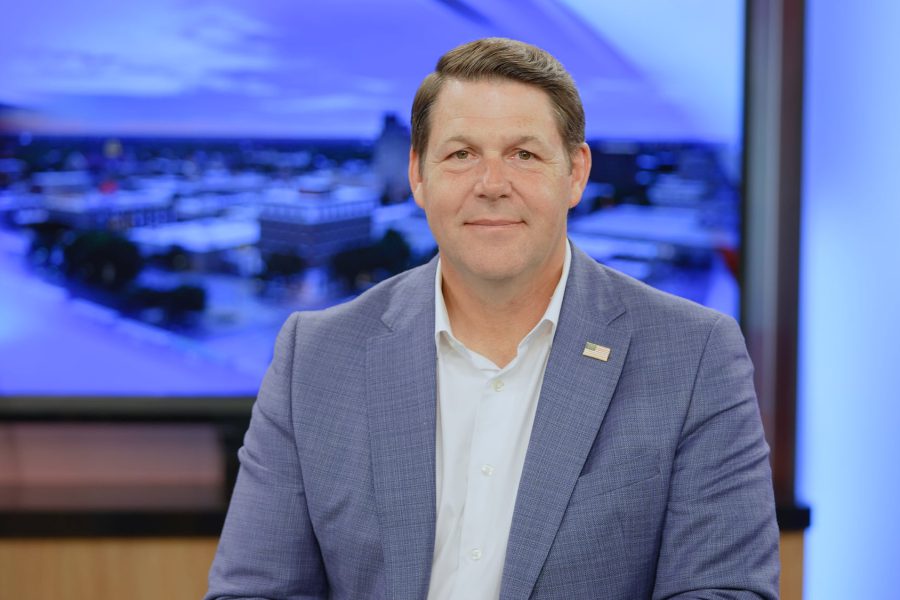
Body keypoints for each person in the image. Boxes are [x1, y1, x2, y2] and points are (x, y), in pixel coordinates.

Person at [206, 38, 779, 600]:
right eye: (461, 154)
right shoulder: (316, 355)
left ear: (576, 173)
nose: (492, 185)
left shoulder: (694, 354)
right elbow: (254, 590)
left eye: (524, 155)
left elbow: (725, 591)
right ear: (418, 175)